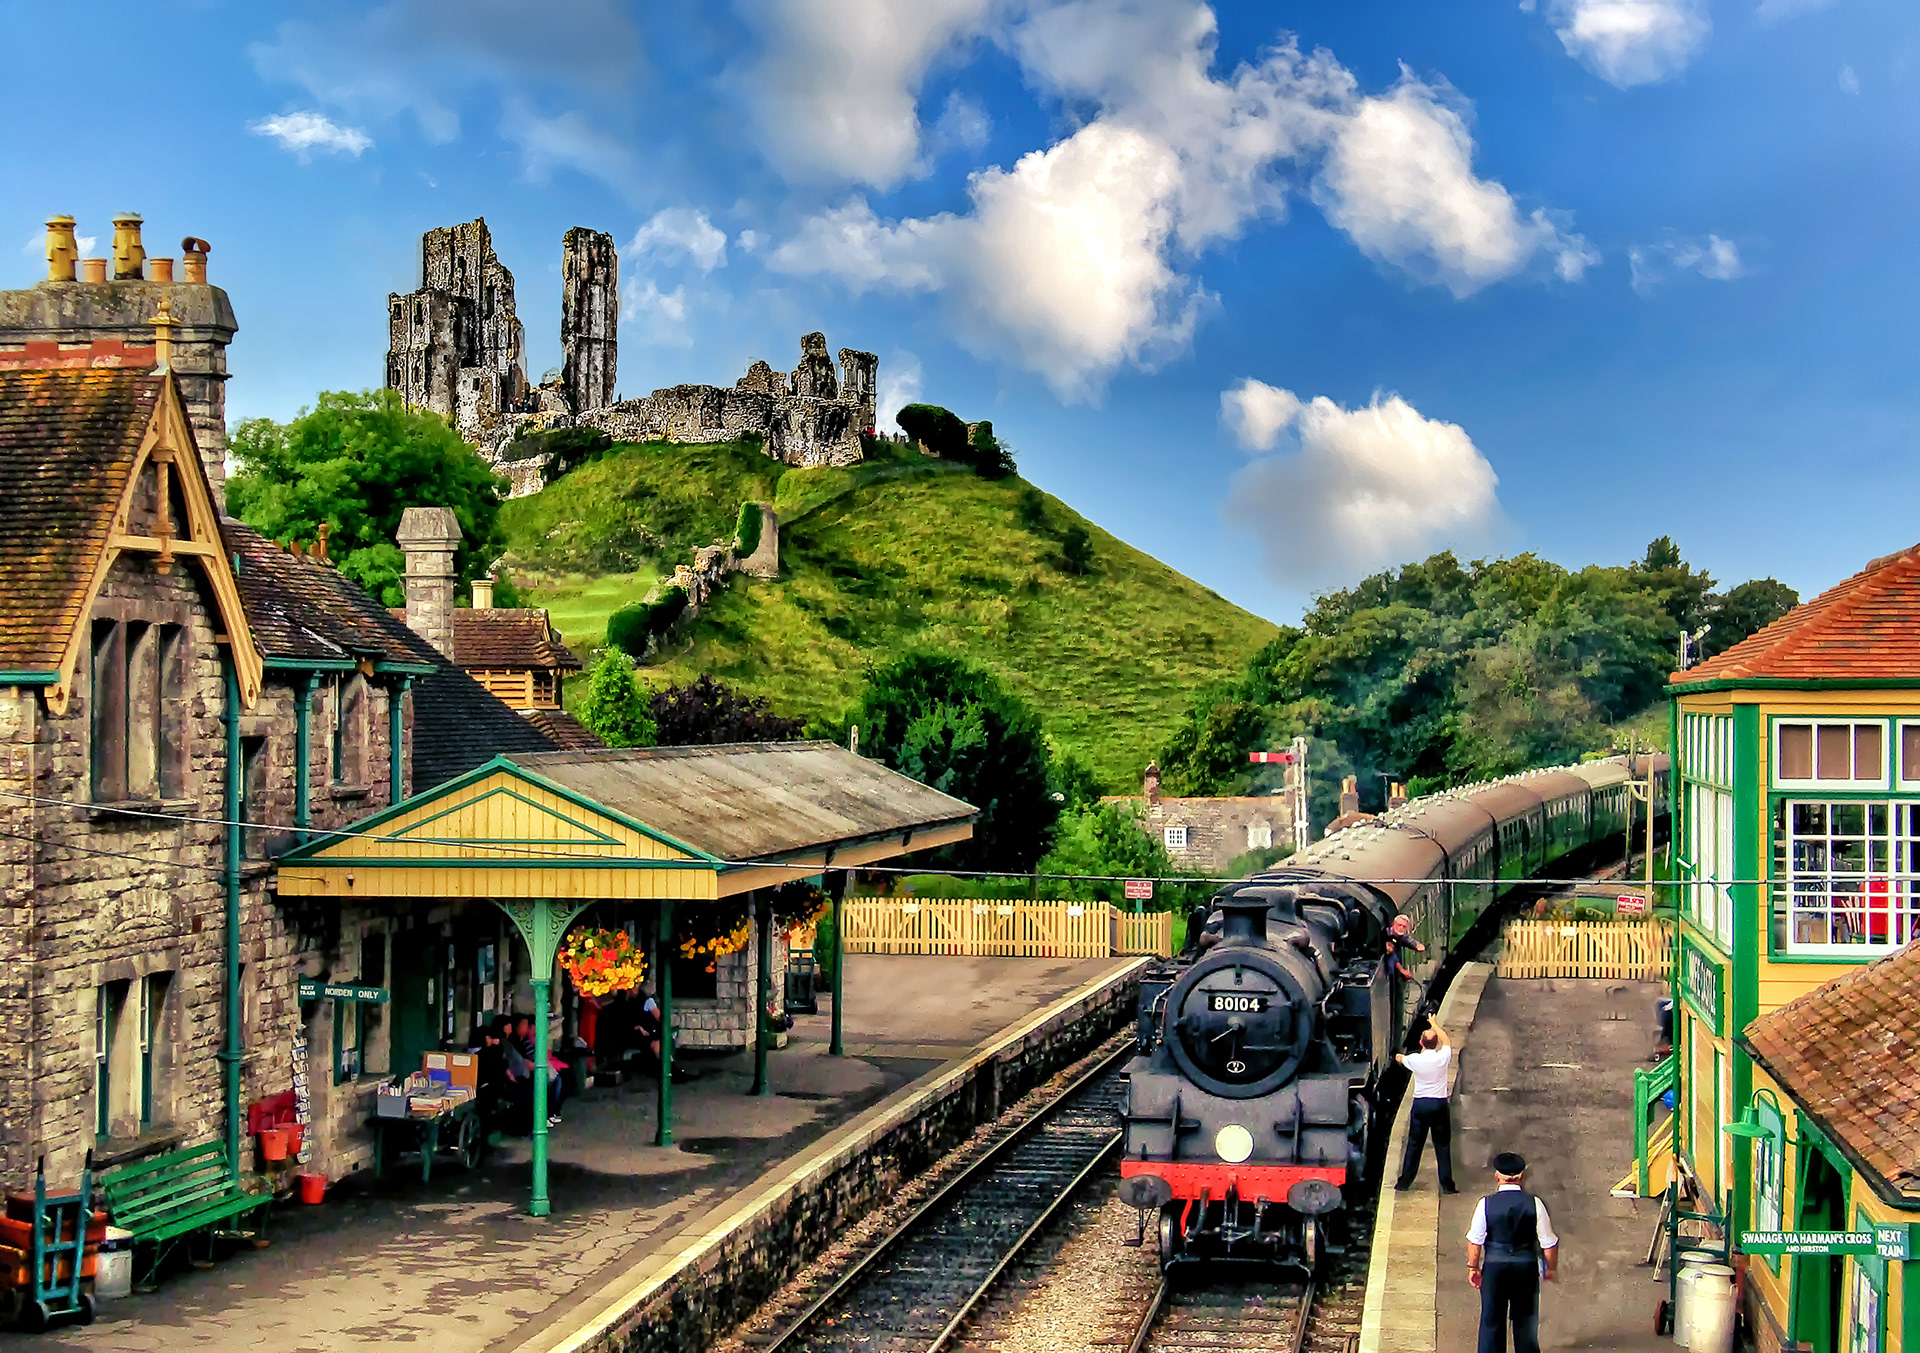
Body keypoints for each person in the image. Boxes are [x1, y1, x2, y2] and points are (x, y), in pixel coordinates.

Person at [1467, 1152, 1559, 1353]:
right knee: (1525, 1322)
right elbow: (1548, 1243)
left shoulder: (1485, 1204)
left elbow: (1475, 1241)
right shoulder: (1535, 1204)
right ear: (1522, 1177)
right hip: (1525, 1269)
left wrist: (1473, 1268)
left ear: (1497, 1176)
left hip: (1494, 1269)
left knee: (1492, 1321)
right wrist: (1550, 1268)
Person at [1394, 1019, 1458, 1193]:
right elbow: (1448, 1041)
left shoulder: (1414, 1060)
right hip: (1439, 1104)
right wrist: (1434, 1024)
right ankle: (1447, 1185)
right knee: (1442, 1145)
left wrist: (1399, 1056)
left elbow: (1400, 1058)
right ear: (1436, 1043)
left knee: (1414, 1144)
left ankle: (1404, 1182)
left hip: (1421, 1104)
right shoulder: (1443, 1057)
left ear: (1421, 1043)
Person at [1386, 914, 1427, 979]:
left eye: (1404, 926)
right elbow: (1392, 956)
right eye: (1399, 925)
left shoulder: (1400, 937)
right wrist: (1401, 970)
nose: (1401, 928)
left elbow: (1407, 940)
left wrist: (1417, 945)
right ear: (1393, 924)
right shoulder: (1386, 934)